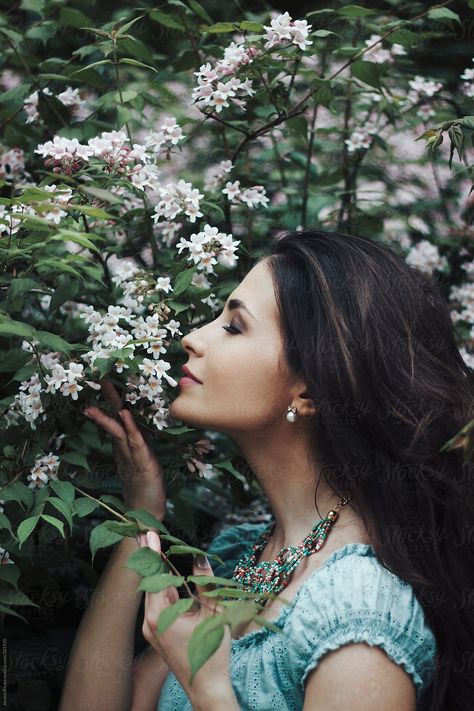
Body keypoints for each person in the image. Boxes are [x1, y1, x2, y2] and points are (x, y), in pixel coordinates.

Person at [60, 229, 474, 711]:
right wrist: (140, 518)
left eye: (234, 327)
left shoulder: (359, 615)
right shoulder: (243, 558)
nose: (193, 338)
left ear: (310, 391)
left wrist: (213, 692)